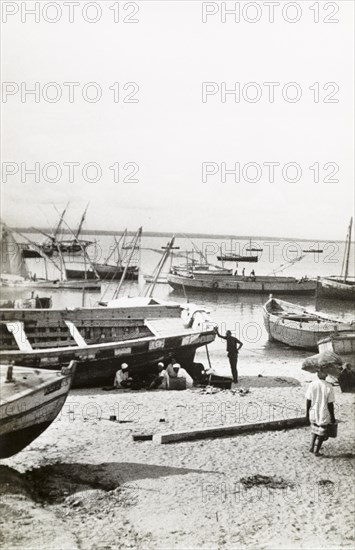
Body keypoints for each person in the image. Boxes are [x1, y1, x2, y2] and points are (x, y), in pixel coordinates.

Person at [306, 368, 336, 456]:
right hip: (324, 411)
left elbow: (308, 400)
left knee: (314, 428)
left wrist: (307, 413)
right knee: (322, 431)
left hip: (314, 411)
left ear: (317, 374)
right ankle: (317, 451)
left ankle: (311, 447)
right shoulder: (329, 386)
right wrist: (332, 416)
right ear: (326, 375)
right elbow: (330, 404)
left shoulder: (312, 384)